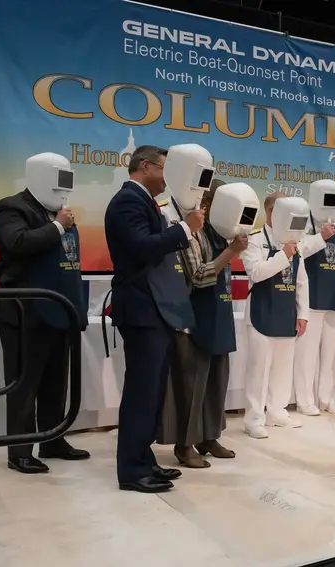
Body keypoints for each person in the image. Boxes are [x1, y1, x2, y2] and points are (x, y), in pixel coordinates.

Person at [105, 145, 204, 493]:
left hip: (155, 307)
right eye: (165, 168)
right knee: (141, 392)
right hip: (141, 307)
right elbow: (142, 247)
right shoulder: (128, 201)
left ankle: (144, 459)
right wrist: (184, 230)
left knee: (152, 392)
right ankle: (132, 470)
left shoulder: (143, 201)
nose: (169, 177)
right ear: (145, 166)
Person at [0, 152, 90, 474]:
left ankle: (52, 439)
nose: (64, 189)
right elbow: (17, 243)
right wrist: (59, 226)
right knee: (24, 384)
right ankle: (19, 451)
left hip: (59, 309)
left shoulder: (59, 212)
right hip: (25, 312)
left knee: (55, 381)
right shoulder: (11, 207)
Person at [157, 166, 250, 467]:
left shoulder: (225, 233)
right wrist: (231, 252)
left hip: (220, 312)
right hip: (196, 315)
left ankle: (209, 435)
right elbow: (199, 275)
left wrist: (234, 245)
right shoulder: (193, 232)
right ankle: (185, 444)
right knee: (192, 383)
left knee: (217, 380)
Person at [240, 192, 310, 439]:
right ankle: (254, 418)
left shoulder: (294, 240)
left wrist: (303, 313)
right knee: (259, 369)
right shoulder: (255, 240)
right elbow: (256, 272)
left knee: (283, 367)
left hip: (285, 311)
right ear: (272, 212)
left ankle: (277, 410)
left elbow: (302, 280)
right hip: (261, 312)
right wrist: (284, 255)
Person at [293, 180, 335, 416]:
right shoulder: (303, 223)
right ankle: (305, 400)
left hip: (334, 294)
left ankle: (328, 397)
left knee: (331, 350)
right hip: (311, 294)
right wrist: (321, 236)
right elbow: (297, 250)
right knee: (308, 352)